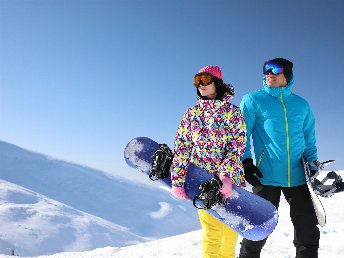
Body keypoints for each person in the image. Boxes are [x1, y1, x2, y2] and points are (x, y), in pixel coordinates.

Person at [239, 58, 321, 258]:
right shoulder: (253, 100)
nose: (269, 74)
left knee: (307, 227)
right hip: (265, 175)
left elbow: (309, 138)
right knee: (257, 227)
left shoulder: (301, 105)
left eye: (275, 70)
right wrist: (246, 162)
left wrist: (312, 162)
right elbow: (241, 135)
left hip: (298, 175)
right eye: (266, 70)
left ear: (288, 75)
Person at [170, 65, 247, 258]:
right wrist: (178, 180)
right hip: (204, 183)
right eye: (197, 81)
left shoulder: (233, 113)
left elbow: (237, 148)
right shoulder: (191, 114)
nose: (200, 85)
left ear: (217, 83)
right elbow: (182, 148)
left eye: (205, 80)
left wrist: (226, 176)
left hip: (231, 184)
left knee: (229, 236)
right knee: (212, 235)